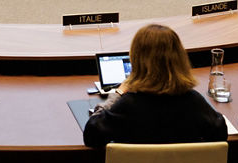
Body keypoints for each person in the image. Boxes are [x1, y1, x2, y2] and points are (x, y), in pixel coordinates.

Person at [83, 24, 226, 149]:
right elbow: (220, 133)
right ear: (180, 59)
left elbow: (91, 136)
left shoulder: (127, 105)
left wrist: (118, 93)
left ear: (136, 60)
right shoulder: (194, 101)